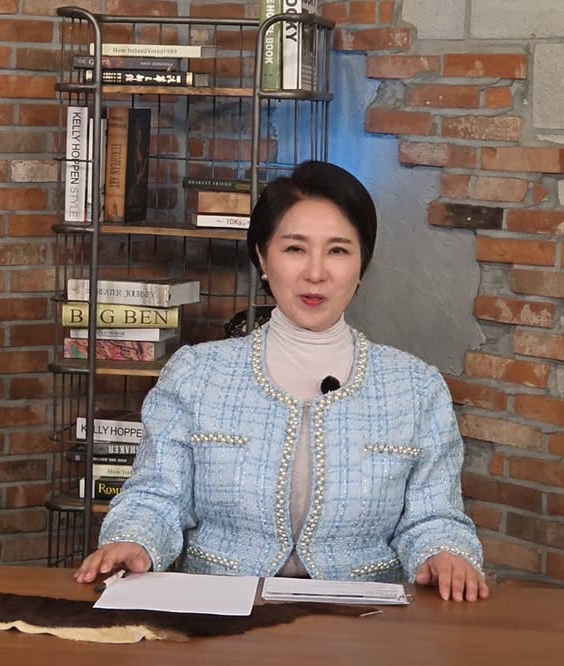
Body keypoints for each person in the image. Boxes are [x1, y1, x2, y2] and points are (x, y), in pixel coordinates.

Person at [75, 160, 489, 601]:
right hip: (220, 612)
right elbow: (157, 496)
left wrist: (445, 553)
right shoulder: (197, 374)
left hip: (362, 620)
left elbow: (433, 518)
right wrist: (135, 540)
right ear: (262, 257)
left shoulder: (416, 388)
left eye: (338, 251)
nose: (316, 273)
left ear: (362, 264)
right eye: (294, 249)